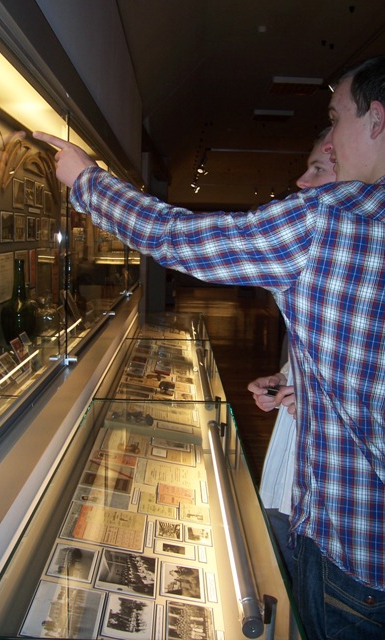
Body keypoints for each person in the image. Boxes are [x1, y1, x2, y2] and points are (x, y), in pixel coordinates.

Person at [34, 55, 385, 639]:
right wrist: (313, 389)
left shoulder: (331, 221)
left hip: (354, 554)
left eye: (335, 118)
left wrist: (87, 181)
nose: (329, 140)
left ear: (376, 118)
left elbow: (180, 237)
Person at [248, 130, 336, 577]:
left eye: (318, 169)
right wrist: (285, 379)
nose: (303, 182)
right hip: (289, 478)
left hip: (331, 508)